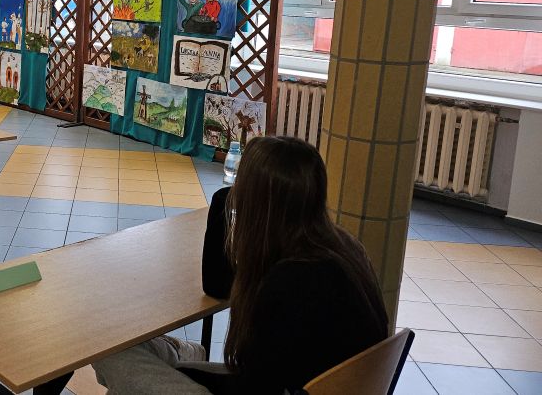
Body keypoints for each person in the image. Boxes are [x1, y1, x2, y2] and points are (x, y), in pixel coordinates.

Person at [92, 136, 389, 395]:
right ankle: (182, 355)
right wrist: (223, 199)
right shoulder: (341, 247)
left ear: (257, 201)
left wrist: (183, 375)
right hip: (297, 384)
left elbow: (251, 389)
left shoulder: (289, 283)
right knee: (128, 360)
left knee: (108, 350)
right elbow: (217, 285)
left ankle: (182, 356)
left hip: (272, 389)